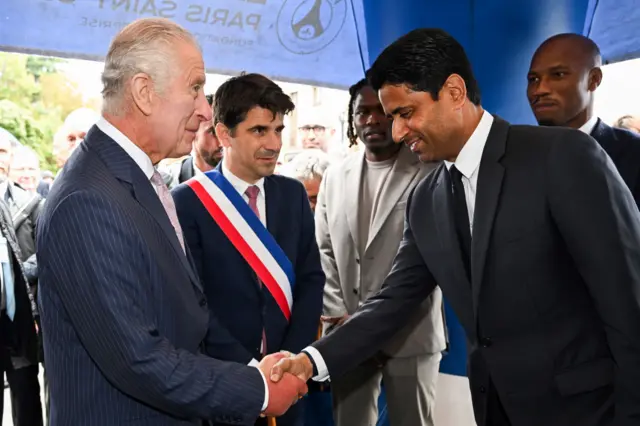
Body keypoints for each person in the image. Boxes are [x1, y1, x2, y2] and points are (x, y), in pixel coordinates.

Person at [270, 28, 640, 426]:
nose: (397, 132)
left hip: (586, 412)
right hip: (495, 409)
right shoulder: (426, 198)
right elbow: (391, 303)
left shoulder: (563, 157)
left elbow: (628, 301)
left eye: (406, 113)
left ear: (454, 92)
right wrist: (310, 362)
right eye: (392, 117)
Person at [36, 18, 306, 426]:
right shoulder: (88, 199)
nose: (204, 109)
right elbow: (138, 359)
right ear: (145, 92)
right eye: (195, 88)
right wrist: (260, 391)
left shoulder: (134, 178)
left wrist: (252, 370)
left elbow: (183, 315)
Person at [172, 73, 325, 426]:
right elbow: (192, 301)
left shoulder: (293, 194)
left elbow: (311, 279)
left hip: (288, 380)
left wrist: (292, 360)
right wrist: (252, 371)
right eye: (260, 131)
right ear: (224, 133)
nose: (274, 143)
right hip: (224, 380)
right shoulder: (189, 202)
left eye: (279, 130)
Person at [315, 78, 445, 426]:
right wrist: (335, 311)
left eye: (381, 111)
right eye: (362, 112)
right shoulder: (334, 176)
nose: (371, 119)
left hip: (411, 331)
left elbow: (434, 257)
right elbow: (323, 250)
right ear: (352, 119)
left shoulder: (429, 172)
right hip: (346, 331)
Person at [527, 33, 640, 206]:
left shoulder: (633, 154)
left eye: (558, 75)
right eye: (533, 79)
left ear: (594, 79)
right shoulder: (516, 158)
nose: (539, 89)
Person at [0, 130, 44, 426]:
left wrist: (22, 273)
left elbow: (45, 251)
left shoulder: (33, 203)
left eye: (3, 152)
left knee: (26, 400)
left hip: (21, 321)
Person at [161, 94, 224, 189]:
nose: (222, 142)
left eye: (226, 132)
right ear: (192, 132)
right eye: (213, 132)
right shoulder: (166, 183)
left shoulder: (247, 180)